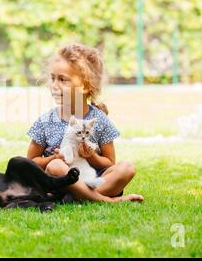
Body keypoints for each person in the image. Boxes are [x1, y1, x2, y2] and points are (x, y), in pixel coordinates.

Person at [27, 43, 144, 203]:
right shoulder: (46, 121)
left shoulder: (99, 120)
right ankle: (105, 200)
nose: (54, 85)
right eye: (53, 78)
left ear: (85, 86)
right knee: (56, 166)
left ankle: (77, 196)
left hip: (92, 179)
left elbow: (109, 162)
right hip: (59, 181)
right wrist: (55, 158)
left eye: (62, 79)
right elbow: (31, 163)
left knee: (127, 168)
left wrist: (91, 156)